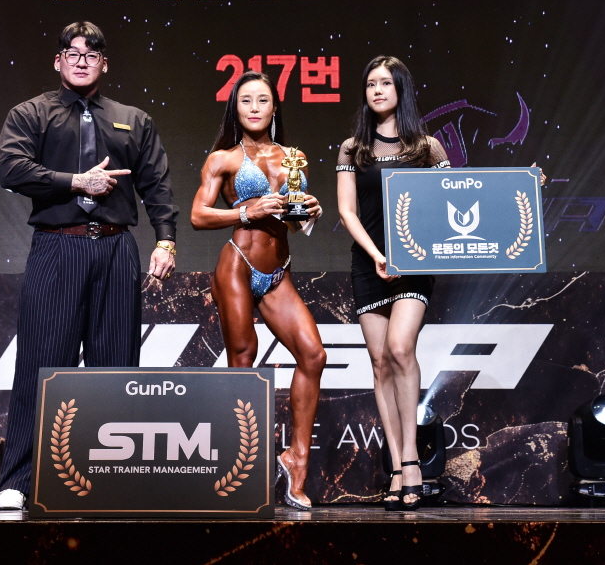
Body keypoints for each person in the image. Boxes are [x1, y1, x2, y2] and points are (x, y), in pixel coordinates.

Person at [0, 21, 178, 511]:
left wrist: (166, 241)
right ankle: (18, 480)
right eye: (72, 53)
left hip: (116, 250)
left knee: (115, 367)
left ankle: (107, 479)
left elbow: (157, 186)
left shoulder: (132, 119)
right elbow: (11, 168)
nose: (81, 61)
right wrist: (76, 182)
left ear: (104, 64)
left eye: (91, 54)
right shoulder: (32, 113)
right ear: (58, 61)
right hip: (58, 246)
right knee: (40, 364)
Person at [191, 70, 326, 509]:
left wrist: (310, 211)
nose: (254, 107)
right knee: (243, 360)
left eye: (262, 100)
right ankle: (245, 468)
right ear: (236, 107)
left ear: (274, 106)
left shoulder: (294, 157)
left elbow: (294, 220)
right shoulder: (223, 159)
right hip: (237, 264)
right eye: (245, 100)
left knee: (313, 355)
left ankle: (295, 461)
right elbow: (198, 215)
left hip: (277, 271)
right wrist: (246, 212)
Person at [334, 56, 448, 510]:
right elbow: (346, 211)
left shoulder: (427, 148)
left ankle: (413, 460)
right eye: (370, 84)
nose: (377, 90)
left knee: (401, 349)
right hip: (369, 264)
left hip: (414, 265)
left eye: (385, 82)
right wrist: (378, 256)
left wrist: (519, 185)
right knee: (380, 363)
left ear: (401, 88)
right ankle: (397, 467)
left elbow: (458, 197)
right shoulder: (352, 148)